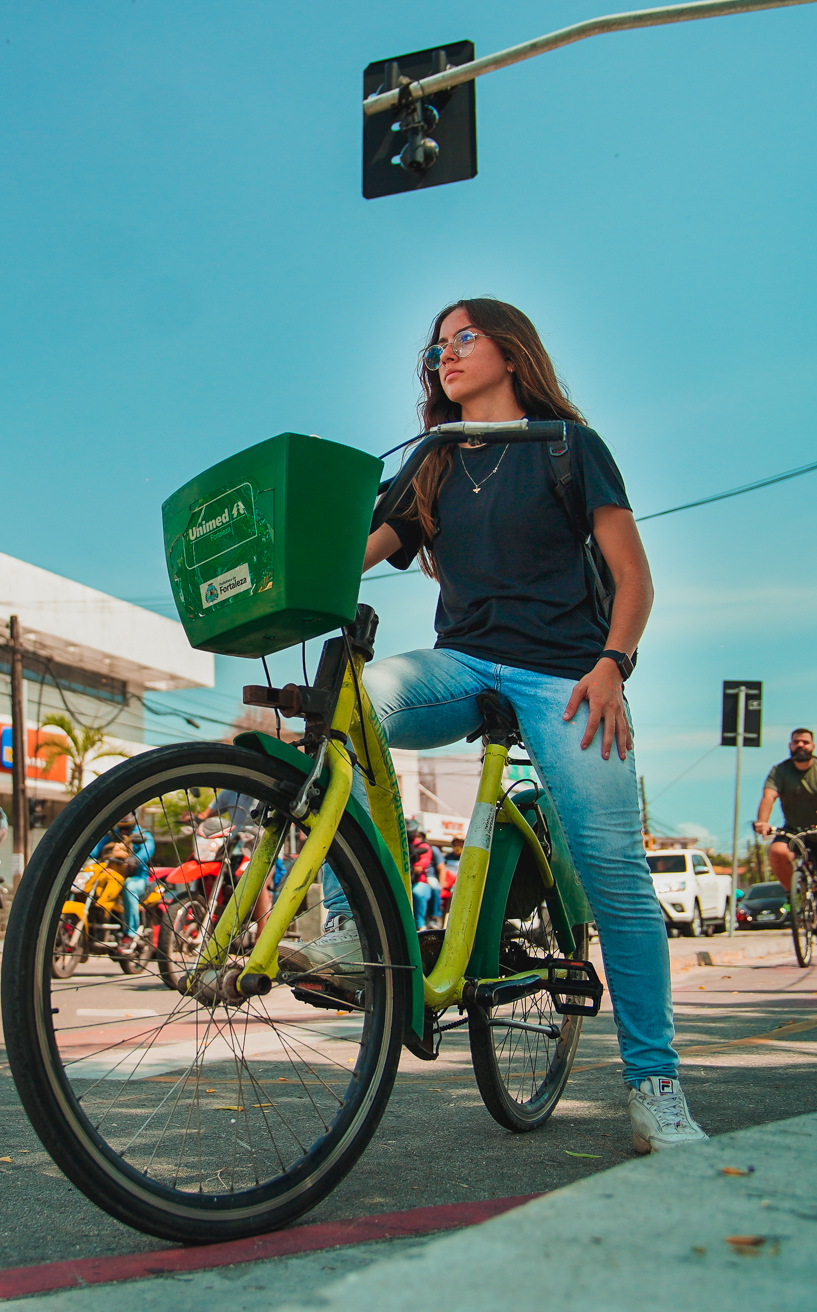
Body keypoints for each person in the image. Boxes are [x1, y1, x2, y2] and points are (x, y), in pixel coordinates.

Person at [277, 297, 706, 1153]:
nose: (445, 355)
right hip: (462, 668)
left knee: (616, 874)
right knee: (353, 706)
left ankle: (654, 1084)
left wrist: (612, 666)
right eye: (435, 347)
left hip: (568, 677)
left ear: (511, 350)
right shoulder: (433, 462)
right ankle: (359, 925)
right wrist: (274, 570)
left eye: (463, 338)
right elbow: (354, 550)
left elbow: (632, 577)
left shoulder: (567, 447)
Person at [752, 729, 817, 953]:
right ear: (790, 746)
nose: (801, 746)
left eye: (805, 742)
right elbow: (769, 795)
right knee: (778, 852)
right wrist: (762, 821)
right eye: (796, 742)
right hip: (793, 830)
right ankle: (796, 893)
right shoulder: (780, 771)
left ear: (813, 746)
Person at [91, 815, 155, 939]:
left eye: (127, 828)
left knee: (129, 886)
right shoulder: (112, 836)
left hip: (137, 878)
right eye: (122, 828)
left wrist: (135, 859)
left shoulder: (142, 835)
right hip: (111, 875)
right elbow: (94, 850)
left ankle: (131, 933)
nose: (124, 831)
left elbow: (148, 850)